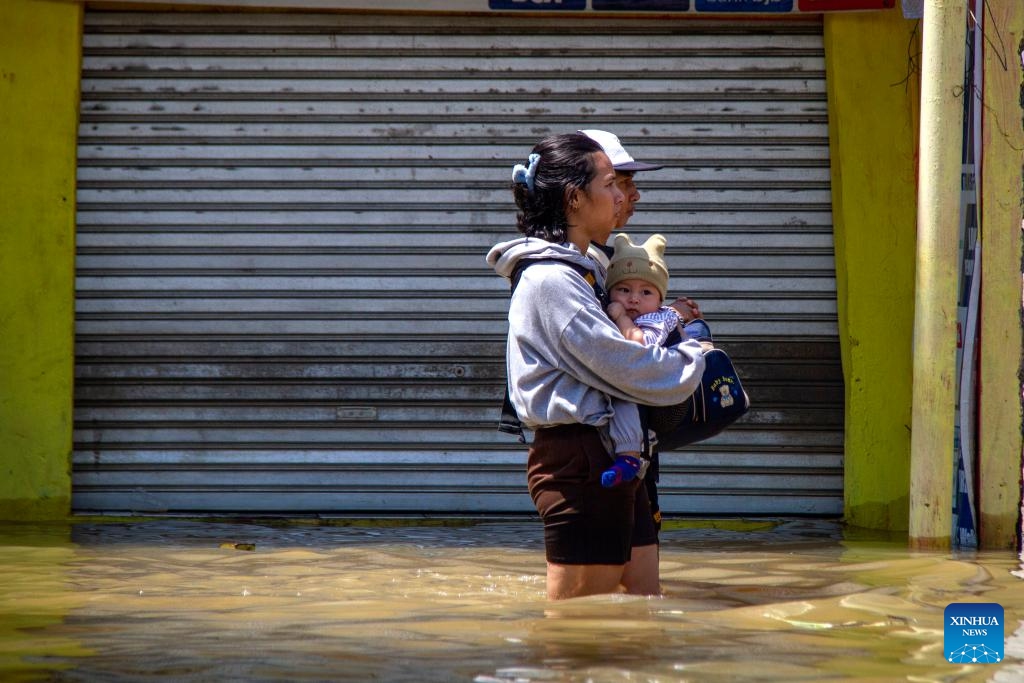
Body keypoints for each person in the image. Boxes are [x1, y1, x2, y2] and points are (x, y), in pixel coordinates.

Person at [486, 132, 705, 600]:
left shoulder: (585, 271)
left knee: (640, 604)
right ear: (574, 198)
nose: (622, 196)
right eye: (610, 184)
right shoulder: (551, 281)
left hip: (614, 454)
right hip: (584, 462)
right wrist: (694, 357)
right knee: (580, 629)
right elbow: (628, 366)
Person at [600, 232, 716, 488]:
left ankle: (630, 458)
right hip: (651, 395)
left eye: (646, 292)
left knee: (624, 396)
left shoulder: (658, 318)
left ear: (660, 300)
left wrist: (620, 317)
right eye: (623, 289)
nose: (633, 298)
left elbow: (642, 348)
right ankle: (635, 453)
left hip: (668, 402)